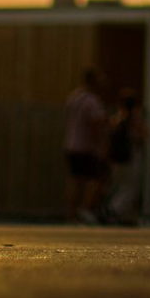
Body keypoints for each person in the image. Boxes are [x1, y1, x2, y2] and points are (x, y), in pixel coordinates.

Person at [63, 67, 109, 224]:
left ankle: (72, 214)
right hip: (86, 147)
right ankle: (85, 210)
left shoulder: (74, 97)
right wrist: (102, 143)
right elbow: (98, 122)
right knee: (97, 178)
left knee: (76, 181)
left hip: (71, 144)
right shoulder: (91, 100)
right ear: (93, 81)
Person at [105, 88, 147, 226]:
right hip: (131, 157)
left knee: (121, 186)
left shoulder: (116, 118)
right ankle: (115, 209)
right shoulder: (134, 118)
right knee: (131, 188)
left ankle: (125, 216)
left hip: (117, 159)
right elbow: (143, 135)